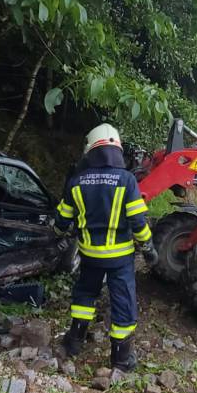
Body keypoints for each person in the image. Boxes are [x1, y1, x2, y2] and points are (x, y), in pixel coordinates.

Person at [53, 123, 159, 371]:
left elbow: (61, 221)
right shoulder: (127, 180)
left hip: (89, 256)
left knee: (84, 294)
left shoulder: (76, 181)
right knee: (123, 302)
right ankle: (121, 359)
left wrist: (58, 234)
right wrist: (148, 247)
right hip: (120, 259)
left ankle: (74, 342)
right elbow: (138, 222)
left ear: (90, 149)